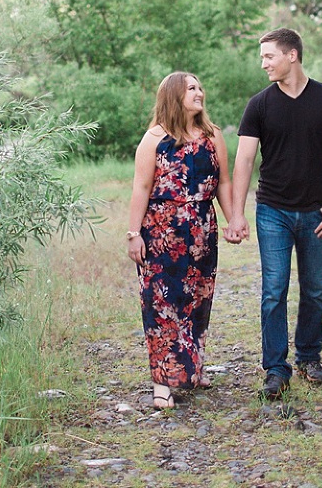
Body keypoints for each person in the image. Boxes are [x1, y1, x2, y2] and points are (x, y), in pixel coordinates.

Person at [224, 28, 322, 400]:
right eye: (262, 57)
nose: (263, 63)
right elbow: (244, 159)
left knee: (315, 290)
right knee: (274, 291)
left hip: (317, 212)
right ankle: (276, 368)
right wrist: (237, 214)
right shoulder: (259, 105)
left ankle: (309, 357)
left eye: (269, 56)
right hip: (272, 211)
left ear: (292, 55)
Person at [127, 72, 233, 410]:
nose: (200, 92)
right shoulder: (154, 139)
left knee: (197, 300)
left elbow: (224, 184)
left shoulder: (212, 135)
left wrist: (236, 220)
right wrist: (133, 234)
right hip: (161, 231)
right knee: (161, 305)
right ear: (175, 95)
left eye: (200, 87)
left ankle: (192, 369)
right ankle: (162, 382)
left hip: (202, 229)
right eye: (192, 88)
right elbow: (141, 188)